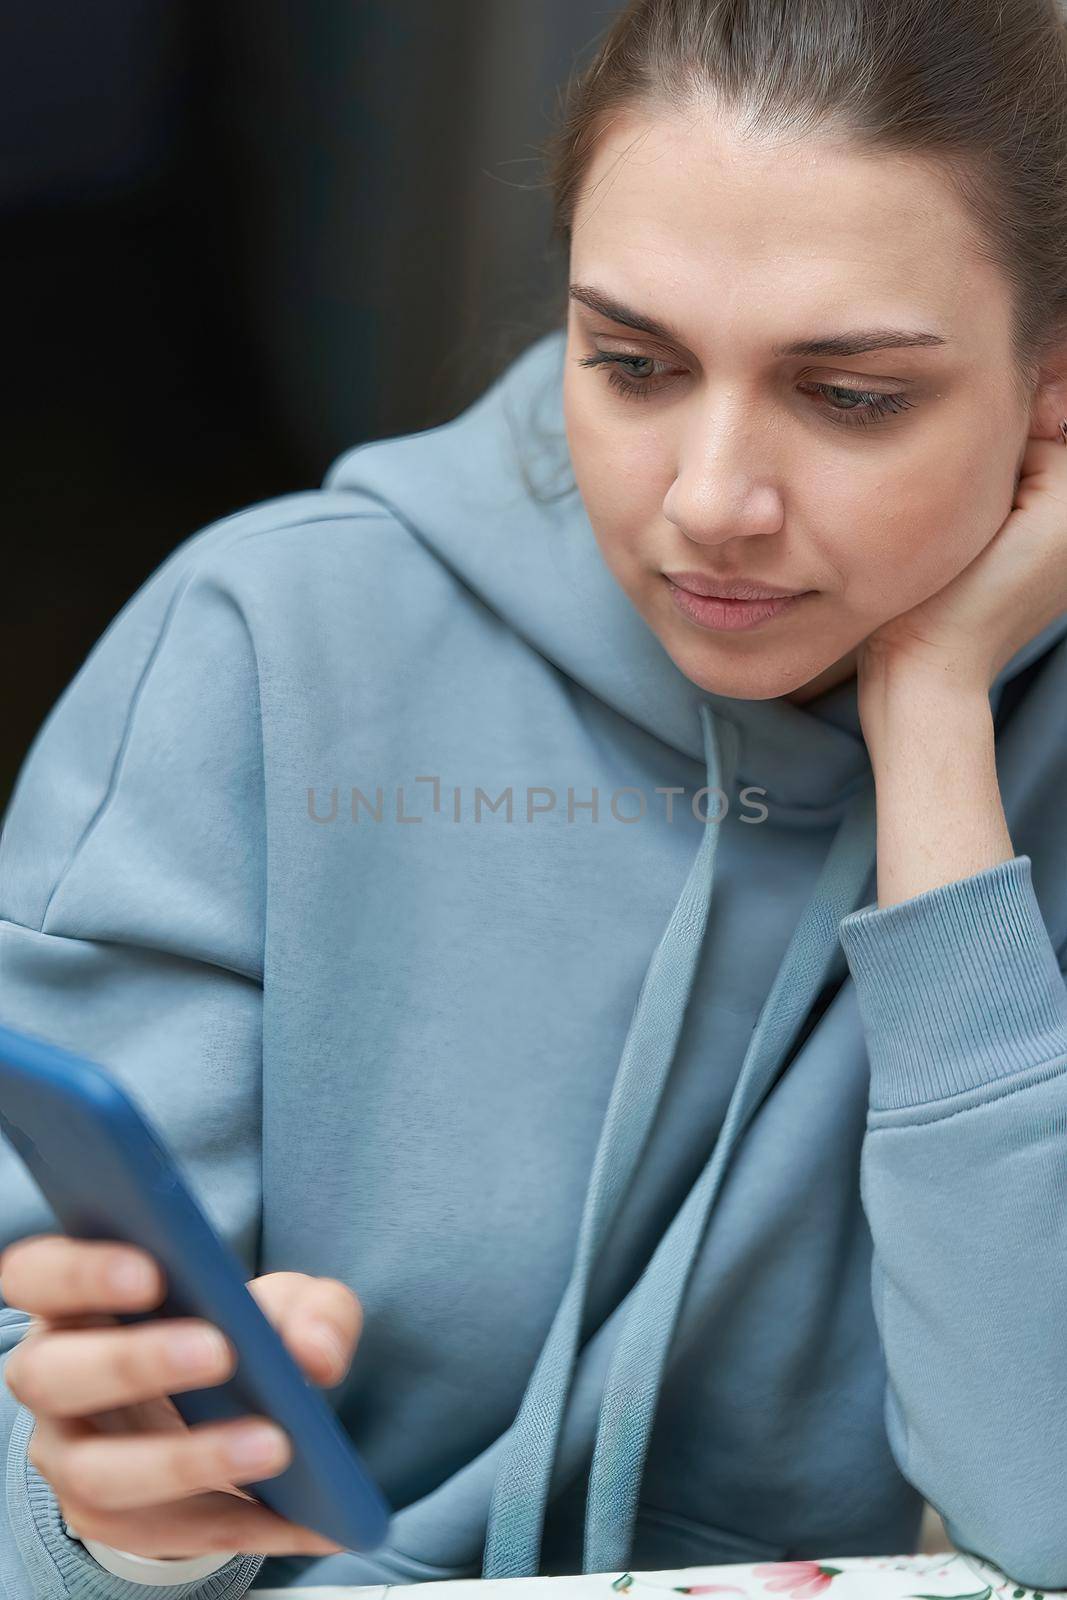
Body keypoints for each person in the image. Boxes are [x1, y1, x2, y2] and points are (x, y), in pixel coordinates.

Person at [4, 0, 1067, 1593]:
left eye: (848, 395)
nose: (712, 502)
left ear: (1053, 392)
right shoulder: (271, 651)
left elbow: (1047, 1510)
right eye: (632, 364)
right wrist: (115, 1529)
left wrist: (934, 735)